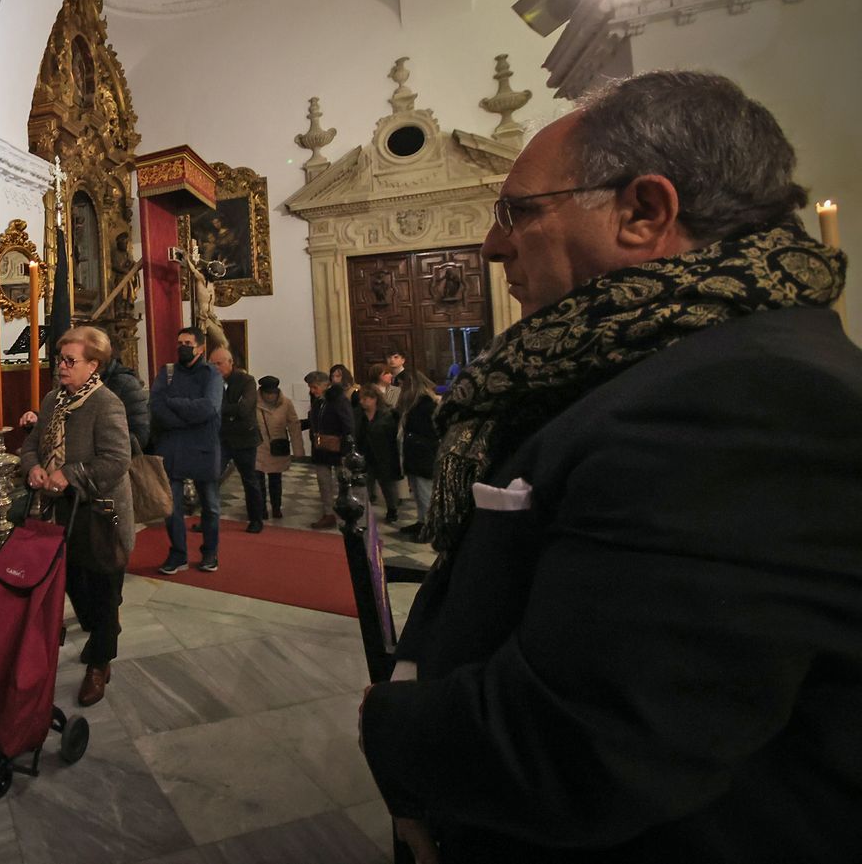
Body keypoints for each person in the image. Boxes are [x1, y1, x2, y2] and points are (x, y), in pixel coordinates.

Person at [358, 71, 861, 863]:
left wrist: (390, 725)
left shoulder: (745, 398)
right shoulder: (663, 358)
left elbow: (580, 743)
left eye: (518, 213)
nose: (492, 245)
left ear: (644, 212)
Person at [19, 327, 134, 707]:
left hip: (103, 515)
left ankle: (99, 663)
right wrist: (34, 468)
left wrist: (69, 474)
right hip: (63, 512)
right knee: (72, 581)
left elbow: (117, 461)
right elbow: (32, 444)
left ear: (93, 365)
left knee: (105, 591)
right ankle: (103, 629)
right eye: (59, 360)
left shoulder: (107, 403)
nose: (61, 367)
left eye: (70, 361)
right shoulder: (53, 400)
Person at [151, 326, 223, 573]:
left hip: (203, 448)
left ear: (200, 348)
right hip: (174, 448)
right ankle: (178, 553)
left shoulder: (212, 374)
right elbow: (157, 407)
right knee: (171, 507)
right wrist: (185, 416)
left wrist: (176, 405)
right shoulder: (168, 373)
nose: (182, 346)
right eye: (179, 342)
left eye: (188, 343)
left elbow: (208, 408)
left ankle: (210, 552)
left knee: (210, 506)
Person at [207, 348, 265, 532]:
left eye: (219, 363)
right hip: (221, 438)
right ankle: (208, 520)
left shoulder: (246, 381)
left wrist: (220, 408)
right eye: (212, 363)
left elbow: (244, 409)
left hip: (244, 438)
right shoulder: (209, 381)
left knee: (249, 480)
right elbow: (205, 405)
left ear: (231, 363)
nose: (215, 367)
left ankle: (256, 519)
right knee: (211, 479)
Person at [304, 369, 352, 529]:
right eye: (310, 387)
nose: (312, 391)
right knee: (323, 482)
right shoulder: (318, 400)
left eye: (314, 387)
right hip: (321, 447)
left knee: (343, 481)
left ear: (325, 385)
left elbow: (347, 424)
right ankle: (328, 513)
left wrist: (347, 448)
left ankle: (346, 511)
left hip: (338, 447)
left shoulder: (338, 400)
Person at [395, 370, 440, 538]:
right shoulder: (414, 404)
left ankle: (430, 527)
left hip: (423, 454)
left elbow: (432, 430)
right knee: (418, 490)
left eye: (401, 384)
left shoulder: (426, 404)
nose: (399, 388)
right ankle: (422, 521)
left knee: (425, 492)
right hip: (414, 453)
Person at [253, 375, 302, 520]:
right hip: (258, 447)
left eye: (273, 393)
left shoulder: (285, 403)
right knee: (258, 480)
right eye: (267, 393)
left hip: (277, 447)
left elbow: (294, 425)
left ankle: (276, 507)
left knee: (275, 479)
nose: (270, 396)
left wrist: (298, 449)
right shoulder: (253, 402)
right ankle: (261, 509)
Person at [354, 384, 402, 524]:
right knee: (365, 485)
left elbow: (392, 436)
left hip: (384, 454)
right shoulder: (358, 414)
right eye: (361, 399)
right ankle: (364, 511)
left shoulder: (387, 415)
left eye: (366, 399)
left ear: (375, 399)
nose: (362, 402)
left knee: (387, 485)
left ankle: (392, 509)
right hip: (365, 453)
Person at [98, 354, 150, 451]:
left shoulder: (126, 383)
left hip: (115, 458)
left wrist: (102, 439)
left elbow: (140, 435)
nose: (63, 366)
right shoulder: (70, 386)